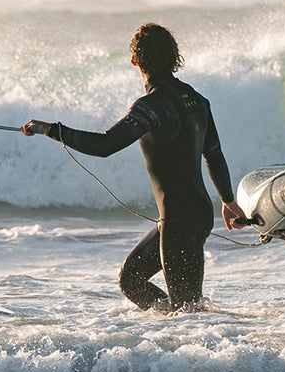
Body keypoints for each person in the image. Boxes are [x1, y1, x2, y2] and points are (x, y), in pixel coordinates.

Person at [22, 22, 246, 312]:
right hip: (196, 213)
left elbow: (105, 146)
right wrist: (227, 201)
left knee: (188, 314)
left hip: (179, 220)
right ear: (173, 57)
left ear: (135, 59)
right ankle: (176, 339)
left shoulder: (150, 107)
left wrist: (51, 129)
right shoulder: (197, 100)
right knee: (132, 279)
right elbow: (213, 154)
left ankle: (202, 349)